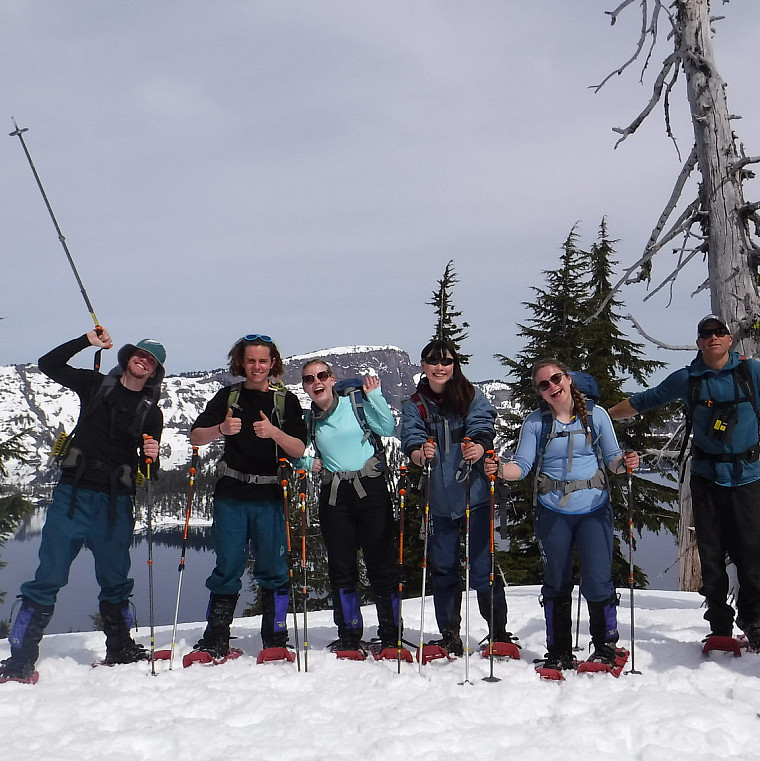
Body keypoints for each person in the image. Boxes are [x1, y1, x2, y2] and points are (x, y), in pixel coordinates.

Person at [0, 328, 165, 683]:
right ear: (127, 357)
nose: (143, 361)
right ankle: (20, 659)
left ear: (155, 372)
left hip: (116, 504)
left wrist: (152, 457)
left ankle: (120, 647)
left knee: (116, 580)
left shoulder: (151, 413)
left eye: (151, 361)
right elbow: (49, 364)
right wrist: (86, 340)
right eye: (140, 354)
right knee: (48, 577)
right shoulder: (95, 385)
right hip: (72, 497)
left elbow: (149, 472)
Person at [608, 314, 760, 647]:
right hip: (706, 478)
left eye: (719, 332)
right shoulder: (688, 379)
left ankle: (754, 620)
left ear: (730, 339)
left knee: (752, 553)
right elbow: (644, 400)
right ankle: (720, 625)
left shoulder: (752, 373)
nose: (713, 338)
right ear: (699, 343)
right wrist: (601, 416)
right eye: (705, 334)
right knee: (711, 554)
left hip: (748, 476)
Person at [486, 359, 638, 671]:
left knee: (597, 579)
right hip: (552, 511)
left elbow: (611, 459)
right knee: (556, 581)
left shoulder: (596, 416)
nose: (552, 386)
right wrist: (500, 469)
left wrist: (625, 464)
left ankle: (606, 647)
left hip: (594, 509)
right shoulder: (535, 423)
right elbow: (522, 466)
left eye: (556, 379)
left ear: (568, 379)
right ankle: (558, 651)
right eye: (544, 384)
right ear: (539, 393)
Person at [189, 334, 306, 658]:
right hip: (233, 494)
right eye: (251, 360)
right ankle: (216, 637)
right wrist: (221, 430)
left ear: (272, 364)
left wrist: (274, 433)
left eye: (263, 361)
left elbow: (298, 448)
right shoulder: (228, 396)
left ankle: (276, 637)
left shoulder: (286, 401)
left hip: (270, 495)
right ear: (241, 362)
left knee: (273, 568)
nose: (257, 367)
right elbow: (196, 436)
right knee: (227, 567)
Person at [400, 338, 508, 657]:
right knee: (444, 569)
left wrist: (477, 445)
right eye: (433, 361)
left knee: (481, 568)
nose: (440, 367)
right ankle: (449, 636)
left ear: (454, 365)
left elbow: (483, 424)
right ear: (423, 366)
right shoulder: (416, 404)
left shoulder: (470, 395)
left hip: (474, 496)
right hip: (440, 502)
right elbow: (411, 438)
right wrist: (420, 452)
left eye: (446, 361)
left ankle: (498, 633)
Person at [300, 359, 398, 654]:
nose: (316, 382)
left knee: (381, 564)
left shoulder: (355, 404)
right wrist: (307, 462)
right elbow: (293, 450)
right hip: (334, 495)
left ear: (332, 379)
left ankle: (391, 635)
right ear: (305, 387)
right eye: (309, 379)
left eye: (322, 376)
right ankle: (349, 634)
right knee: (342, 568)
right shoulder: (310, 420)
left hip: (371, 490)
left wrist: (375, 395)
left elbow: (387, 427)